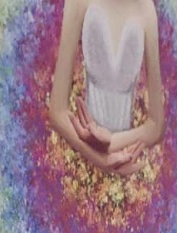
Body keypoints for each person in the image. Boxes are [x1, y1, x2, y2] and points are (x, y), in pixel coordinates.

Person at [48, 0, 164, 176]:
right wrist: (100, 159)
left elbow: (156, 125)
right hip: (79, 165)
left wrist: (110, 143)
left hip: (126, 167)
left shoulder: (146, 8)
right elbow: (57, 112)